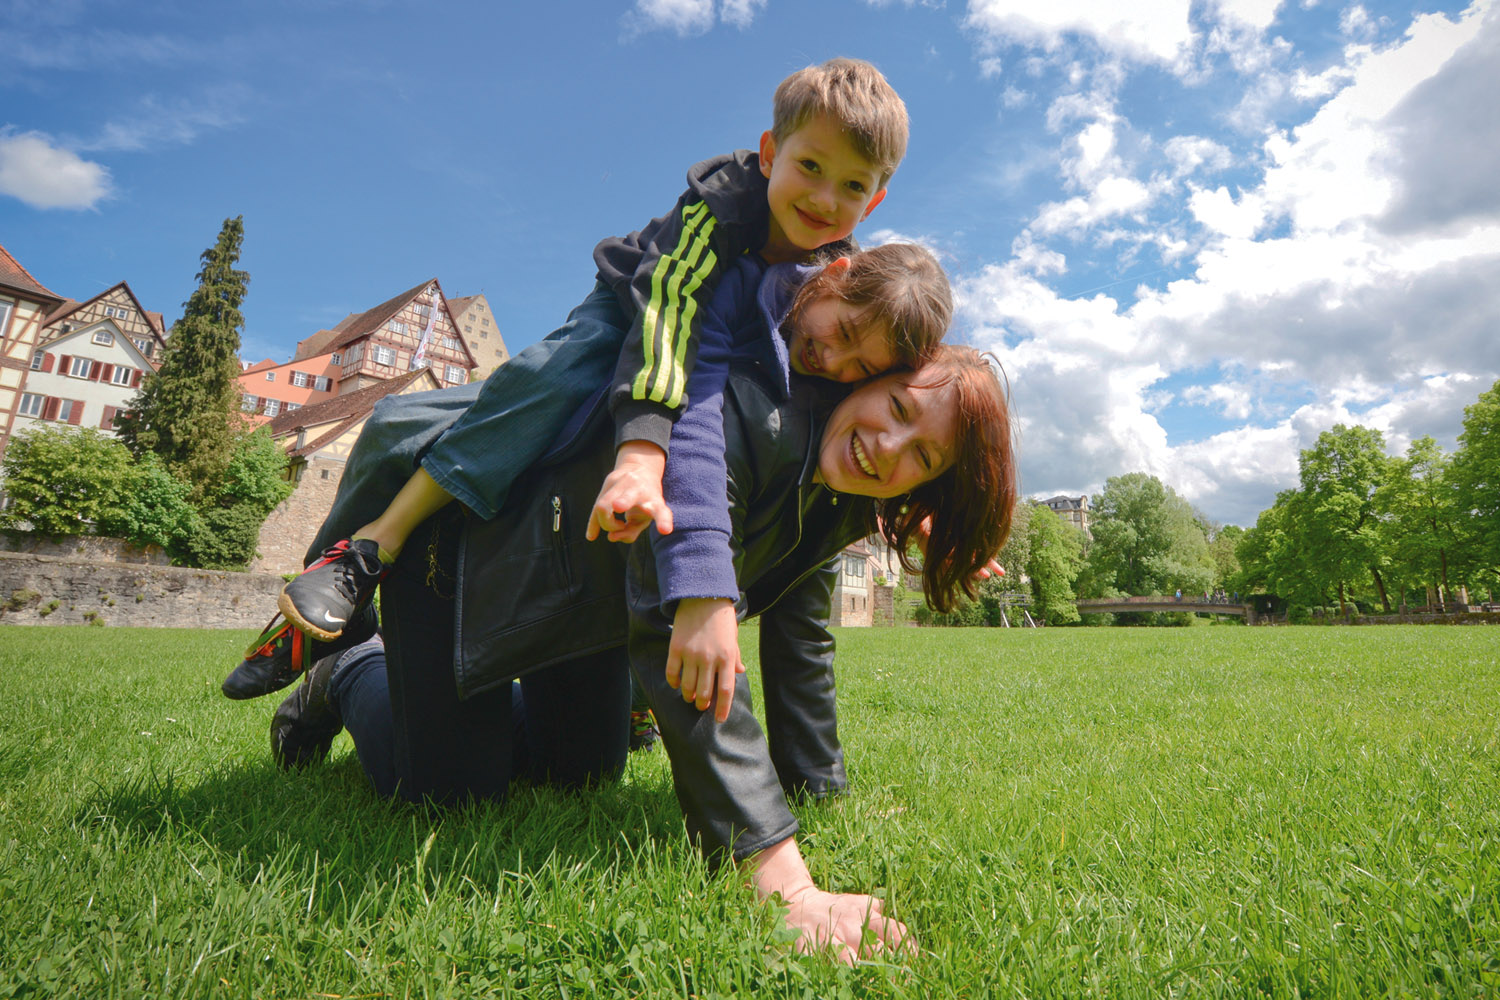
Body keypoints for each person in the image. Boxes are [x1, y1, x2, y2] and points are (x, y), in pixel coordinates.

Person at [264, 258, 1018, 964]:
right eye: (895, 408)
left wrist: (818, 791)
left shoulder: (845, 496)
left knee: (586, 774)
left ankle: (473, 713)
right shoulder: (745, 416)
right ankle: (350, 673)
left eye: (922, 457)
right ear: (872, 379)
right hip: (465, 569)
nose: (890, 447)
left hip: (583, 608)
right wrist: (782, 878)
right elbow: (679, 621)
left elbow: (803, 642)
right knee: (448, 794)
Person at [268, 57, 912, 651]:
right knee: (551, 377)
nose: (826, 198)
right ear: (771, 154)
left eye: (853, 185)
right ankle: (373, 546)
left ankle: (630, 677)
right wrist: (641, 451)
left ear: (875, 199)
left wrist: (912, 502)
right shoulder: (721, 206)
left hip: (704, 356)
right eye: (810, 167)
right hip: (634, 306)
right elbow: (668, 313)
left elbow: (870, 387)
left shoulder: (838, 271)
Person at [225, 242, 951, 703]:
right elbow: (691, 372)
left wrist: (912, 508)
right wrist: (642, 454)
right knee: (457, 412)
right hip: (632, 326)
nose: (836, 363)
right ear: (835, 274)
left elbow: (876, 439)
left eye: (863, 367)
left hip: (611, 476)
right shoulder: (760, 260)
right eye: (844, 336)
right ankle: (359, 560)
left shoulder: (828, 370)